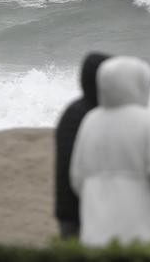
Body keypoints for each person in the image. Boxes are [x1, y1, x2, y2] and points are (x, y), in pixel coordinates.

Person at [70, 56, 150, 246]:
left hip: (96, 232)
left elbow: (77, 178)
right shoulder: (149, 121)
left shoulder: (90, 121)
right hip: (143, 231)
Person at [54, 52, 111, 239]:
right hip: (74, 209)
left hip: (79, 206)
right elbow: (77, 165)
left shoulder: (78, 110)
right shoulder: (82, 114)